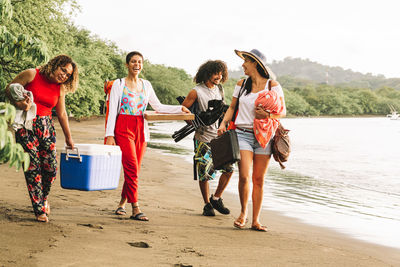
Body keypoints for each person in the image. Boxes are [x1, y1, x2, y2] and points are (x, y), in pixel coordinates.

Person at [105, 51, 190, 221]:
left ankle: (122, 203)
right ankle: (135, 207)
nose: (137, 64)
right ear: (127, 64)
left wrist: (179, 109)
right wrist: (109, 135)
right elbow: (112, 110)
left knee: (134, 168)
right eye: (133, 61)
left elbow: (158, 106)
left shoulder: (146, 85)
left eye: (139, 62)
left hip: (141, 129)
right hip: (123, 127)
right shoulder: (119, 84)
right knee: (131, 167)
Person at [218, 49, 286, 231]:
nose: (242, 65)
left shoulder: (273, 85)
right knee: (244, 175)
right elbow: (232, 107)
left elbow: (283, 112)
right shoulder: (241, 84)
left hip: (264, 137)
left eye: (245, 61)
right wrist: (224, 123)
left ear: (255, 63)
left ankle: (256, 220)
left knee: (258, 179)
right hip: (242, 134)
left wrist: (268, 114)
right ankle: (243, 213)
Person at [5, 55, 79, 223]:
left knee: (51, 168)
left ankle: (44, 197)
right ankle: (39, 209)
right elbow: (9, 89)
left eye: (68, 74)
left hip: (46, 127)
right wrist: (20, 105)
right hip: (26, 126)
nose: (64, 75)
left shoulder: (60, 88)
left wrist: (69, 137)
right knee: (33, 167)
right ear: (54, 65)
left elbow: (61, 113)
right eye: (63, 70)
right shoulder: (32, 74)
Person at [181, 60, 234, 216]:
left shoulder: (220, 89)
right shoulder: (195, 91)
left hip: (220, 137)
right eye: (215, 73)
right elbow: (183, 110)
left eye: (221, 73)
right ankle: (207, 204)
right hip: (203, 137)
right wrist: (195, 124)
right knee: (204, 173)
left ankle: (216, 198)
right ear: (207, 73)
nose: (218, 76)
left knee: (229, 169)